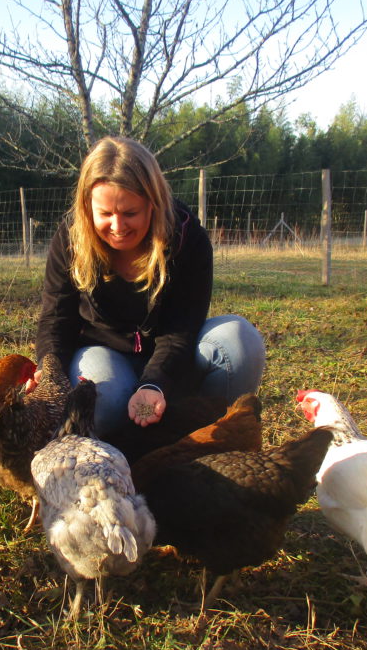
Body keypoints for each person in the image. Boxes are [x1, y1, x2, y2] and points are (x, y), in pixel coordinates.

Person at [32, 136, 266, 437]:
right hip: (103, 351)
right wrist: (49, 370)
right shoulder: (70, 238)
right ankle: (126, 459)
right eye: (105, 214)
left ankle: (210, 443)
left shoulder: (187, 238)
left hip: (172, 356)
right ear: (87, 207)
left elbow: (182, 326)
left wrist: (154, 383)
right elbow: (56, 317)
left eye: (130, 213)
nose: (118, 227)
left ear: (153, 203)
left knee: (239, 340)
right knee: (104, 402)